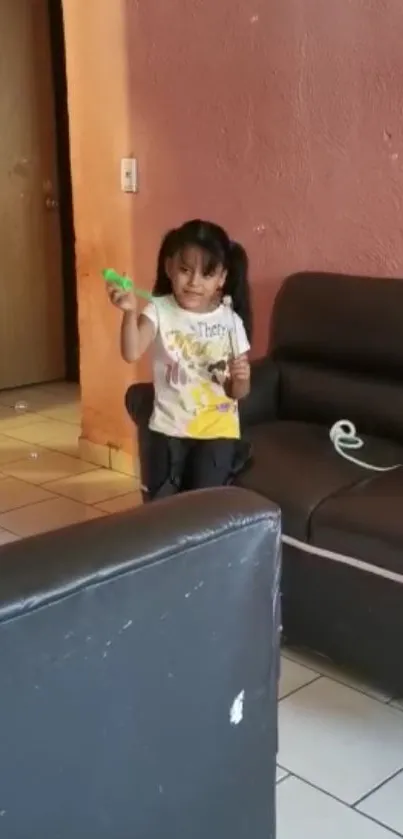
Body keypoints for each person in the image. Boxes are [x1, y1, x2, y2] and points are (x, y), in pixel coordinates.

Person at [107, 219, 252, 499]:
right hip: (168, 428)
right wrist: (128, 313)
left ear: (222, 278)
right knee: (163, 511)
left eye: (207, 274)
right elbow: (131, 352)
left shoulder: (231, 321)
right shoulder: (159, 309)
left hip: (217, 432)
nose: (194, 282)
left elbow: (238, 393)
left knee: (200, 511)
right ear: (169, 267)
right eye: (185, 270)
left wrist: (241, 379)